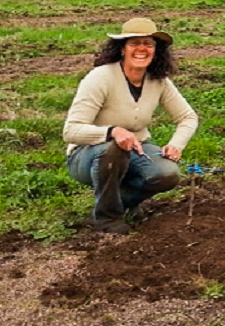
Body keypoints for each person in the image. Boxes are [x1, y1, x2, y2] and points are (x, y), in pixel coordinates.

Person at [63, 17, 198, 234]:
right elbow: (71, 131)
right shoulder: (101, 78)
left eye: (148, 44)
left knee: (167, 174)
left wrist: (176, 145)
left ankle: (119, 202)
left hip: (136, 150)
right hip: (88, 156)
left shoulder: (158, 81)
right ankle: (107, 218)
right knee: (113, 147)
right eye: (134, 43)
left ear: (156, 50)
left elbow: (188, 117)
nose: (142, 49)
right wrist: (112, 131)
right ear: (122, 48)